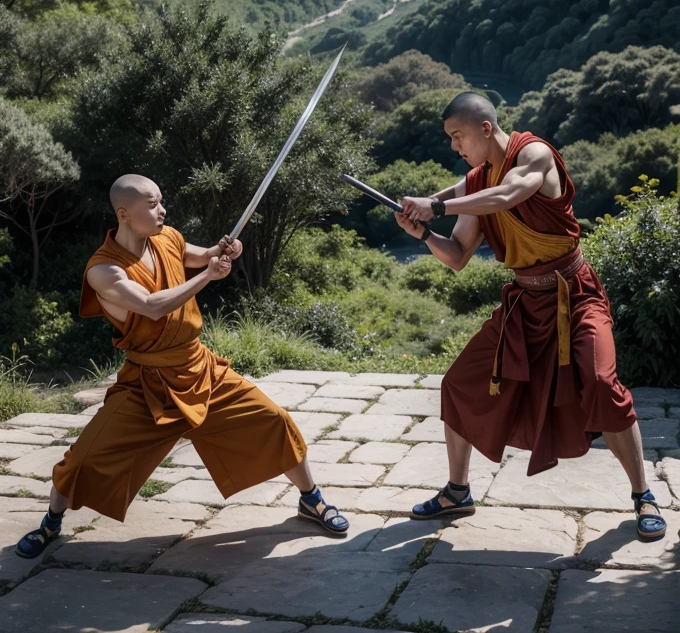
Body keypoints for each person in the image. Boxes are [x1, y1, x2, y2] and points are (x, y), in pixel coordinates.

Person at [16, 174, 349, 558]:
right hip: (146, 384)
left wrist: (222, 251)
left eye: (161, 201)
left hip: (199, 368)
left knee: (274, 420)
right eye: (153, 204)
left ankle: (311, 499)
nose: (163, 209)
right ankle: (51, 524)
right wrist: (209, 275)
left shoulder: (167, 238)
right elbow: (153, 306)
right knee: (84, 459)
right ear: (124, 214)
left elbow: (198, 255)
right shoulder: (104, 271)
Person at [396, 92, 666, 543]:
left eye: (457, 136)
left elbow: (507, 194)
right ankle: (458, 490)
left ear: (485, 128)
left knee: (602, 385)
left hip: (574, 294)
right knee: (458, 382)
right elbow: (458, 256)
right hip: (524, 304)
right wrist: (424, 231)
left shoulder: (534, 154)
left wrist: (439, 205)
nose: (454, 147)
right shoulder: (476, 182)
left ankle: (644, 496)